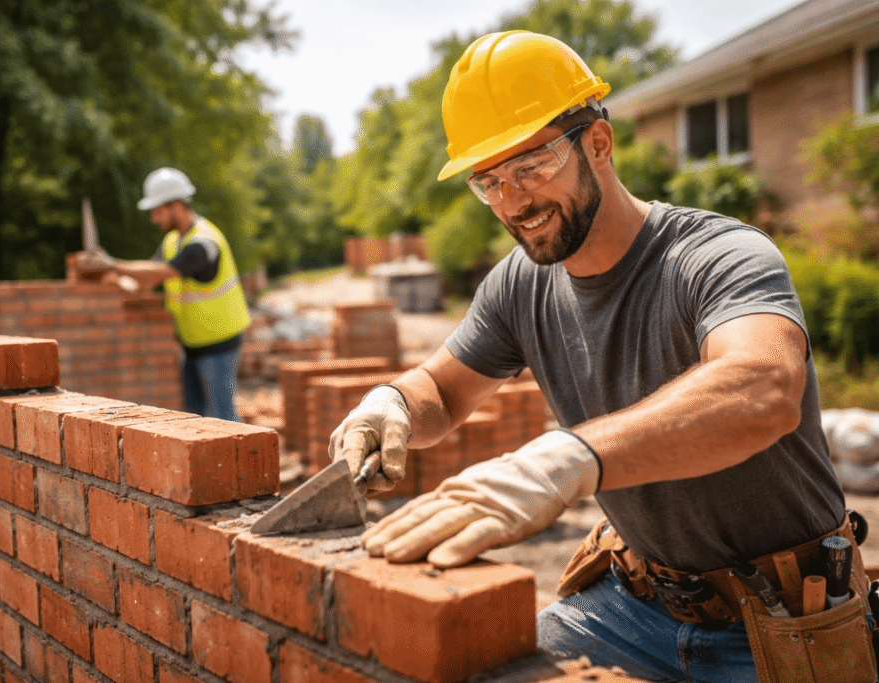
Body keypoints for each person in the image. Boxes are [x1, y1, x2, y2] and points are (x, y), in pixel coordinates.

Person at [328, 31, 876, 683]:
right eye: (490, 181)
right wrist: (387, 403)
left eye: (531, 166)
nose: (514, 203)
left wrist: (568, 459)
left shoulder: (716, 256)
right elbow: (442, 394)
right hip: (632, 605)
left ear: (599, 143)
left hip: (782, 621)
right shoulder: (519, 284)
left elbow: (765, 387)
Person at [105, 167, 250, 421]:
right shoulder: (173, 241)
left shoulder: (203, 243)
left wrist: (110, 263)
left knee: (223, 419)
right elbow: (148, 278)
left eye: (157, 210)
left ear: (175, 205)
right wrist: (114, 279)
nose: (153, 218)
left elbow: (157, 272)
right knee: (193, 418)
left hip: (219, 346)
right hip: (191, 346)